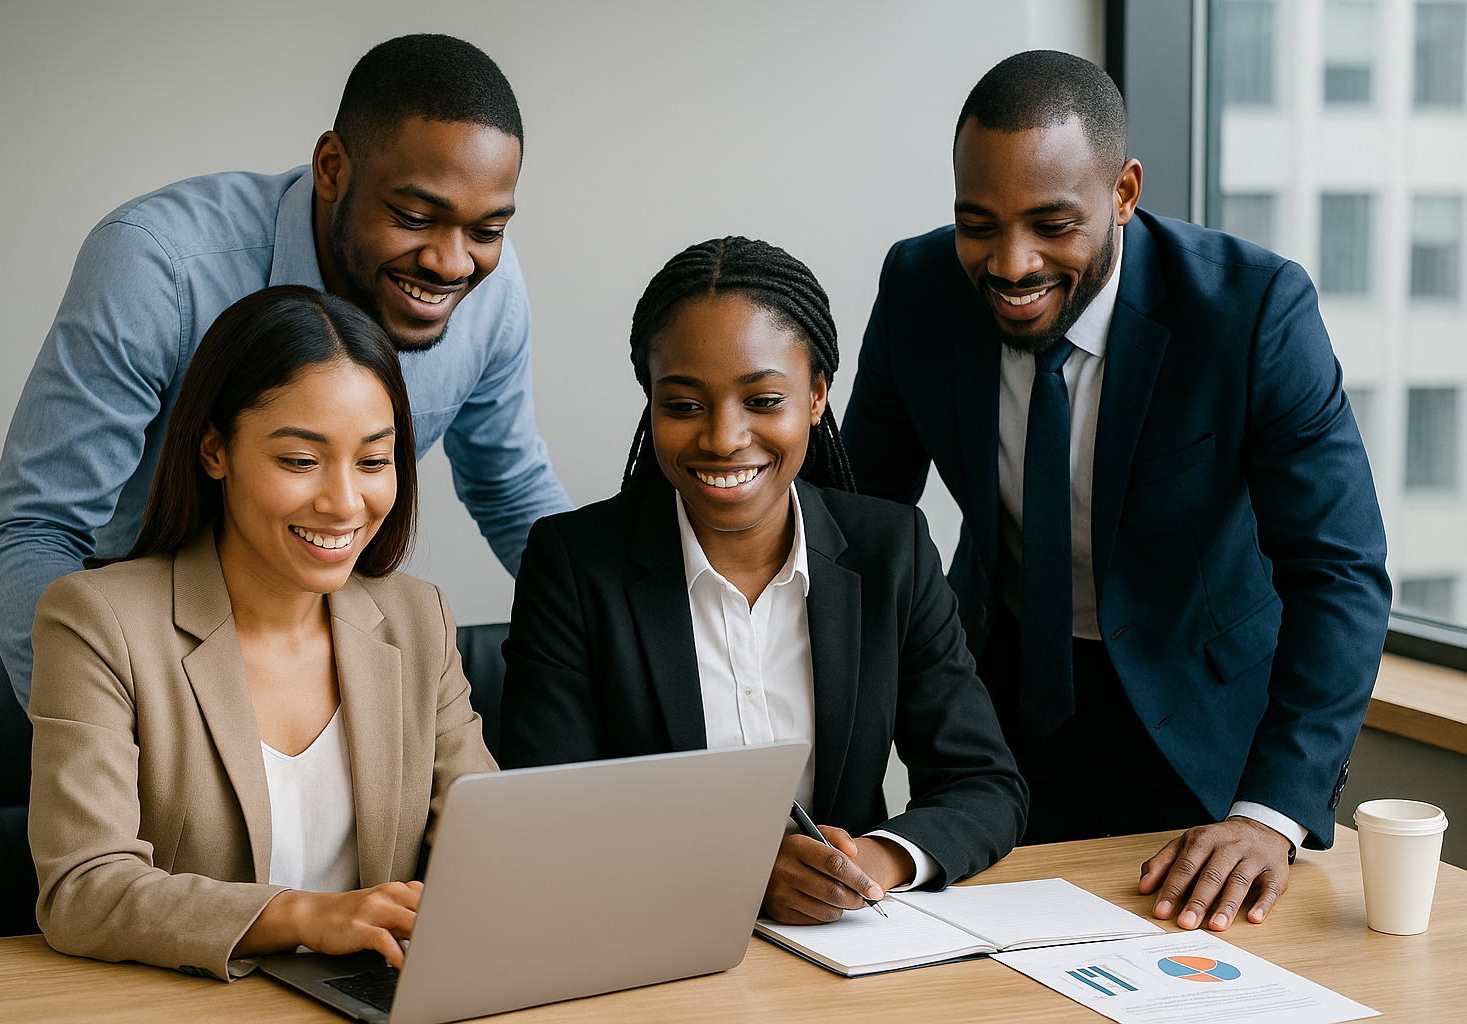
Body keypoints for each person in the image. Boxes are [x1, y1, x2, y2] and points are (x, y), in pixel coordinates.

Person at [840, 50, 1390, 932]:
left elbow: (1340, 572)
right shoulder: (919, 288)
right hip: (1001, 717)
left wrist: (1270, 813)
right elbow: (854, 529)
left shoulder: (1252, 312)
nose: (1011, 264)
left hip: (1204, 733)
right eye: (978, 224)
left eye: (1052, 225)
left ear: (1124, 193)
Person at [0, 34, 571, 710]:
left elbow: (509, 487)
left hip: (321, 656)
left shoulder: (489, 295)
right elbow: (37, 529)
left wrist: (617, 632)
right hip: (140, 662)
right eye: (414, 217)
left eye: (487, 231)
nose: (451, 263)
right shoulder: (157, 268)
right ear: (332, 168)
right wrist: (101, 730)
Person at [498, 237, 1027, 925]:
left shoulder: (891, 550)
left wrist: (872, 861)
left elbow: (985, 785)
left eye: (764, 399)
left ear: (816, 396)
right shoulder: (572, 566)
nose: (724, 438)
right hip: (655, 943)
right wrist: (736, 874)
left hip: (846, 943)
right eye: (683, 404)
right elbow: (549, 819)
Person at [27, 286, 497, 980]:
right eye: (301, 461)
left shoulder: (417, 618)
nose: (344, 502)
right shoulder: (98, 621)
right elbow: (83, 889)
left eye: (373, 461)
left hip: (369, 999)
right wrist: (305, 916)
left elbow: (488, 841)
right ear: (215, 450)